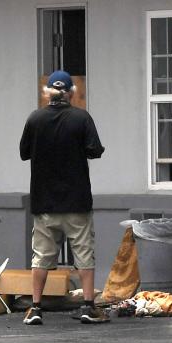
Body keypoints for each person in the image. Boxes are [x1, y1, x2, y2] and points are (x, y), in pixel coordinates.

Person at [18, 70, 107, 325]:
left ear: (48, 92)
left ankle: (35, 308)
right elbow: (94, 150)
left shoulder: (35, 119)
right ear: (70, 92)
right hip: (77, 201)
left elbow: (24, 153)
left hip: (44, 201)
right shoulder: (81, 118)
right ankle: (89, 306)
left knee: (41, 257)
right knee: (84, 255)